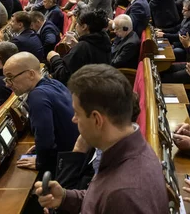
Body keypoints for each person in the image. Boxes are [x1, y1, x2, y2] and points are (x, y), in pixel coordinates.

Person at [34, 65, 168, 213]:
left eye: (77, 113)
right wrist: (65, 198)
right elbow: (99, 198)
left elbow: (111, 198)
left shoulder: (123, 194)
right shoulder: (131, 147)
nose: (74, 119)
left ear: (97, 119)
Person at [4, 52, 79, 174]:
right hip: (75, 155)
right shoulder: (54, 83)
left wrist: (41, 161)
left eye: (10, 77)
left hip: (67, 166)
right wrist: (40, 149)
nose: (7, 84)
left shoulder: (37, 96)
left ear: (31, 74)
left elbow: (46, 139)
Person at [48, 9, 112, 85]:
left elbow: (64, 76)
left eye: (77, 24)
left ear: (84, 27)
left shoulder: (83, 47)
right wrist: (78, 45)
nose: (75, 26)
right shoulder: (104, 41)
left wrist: (54, 58)